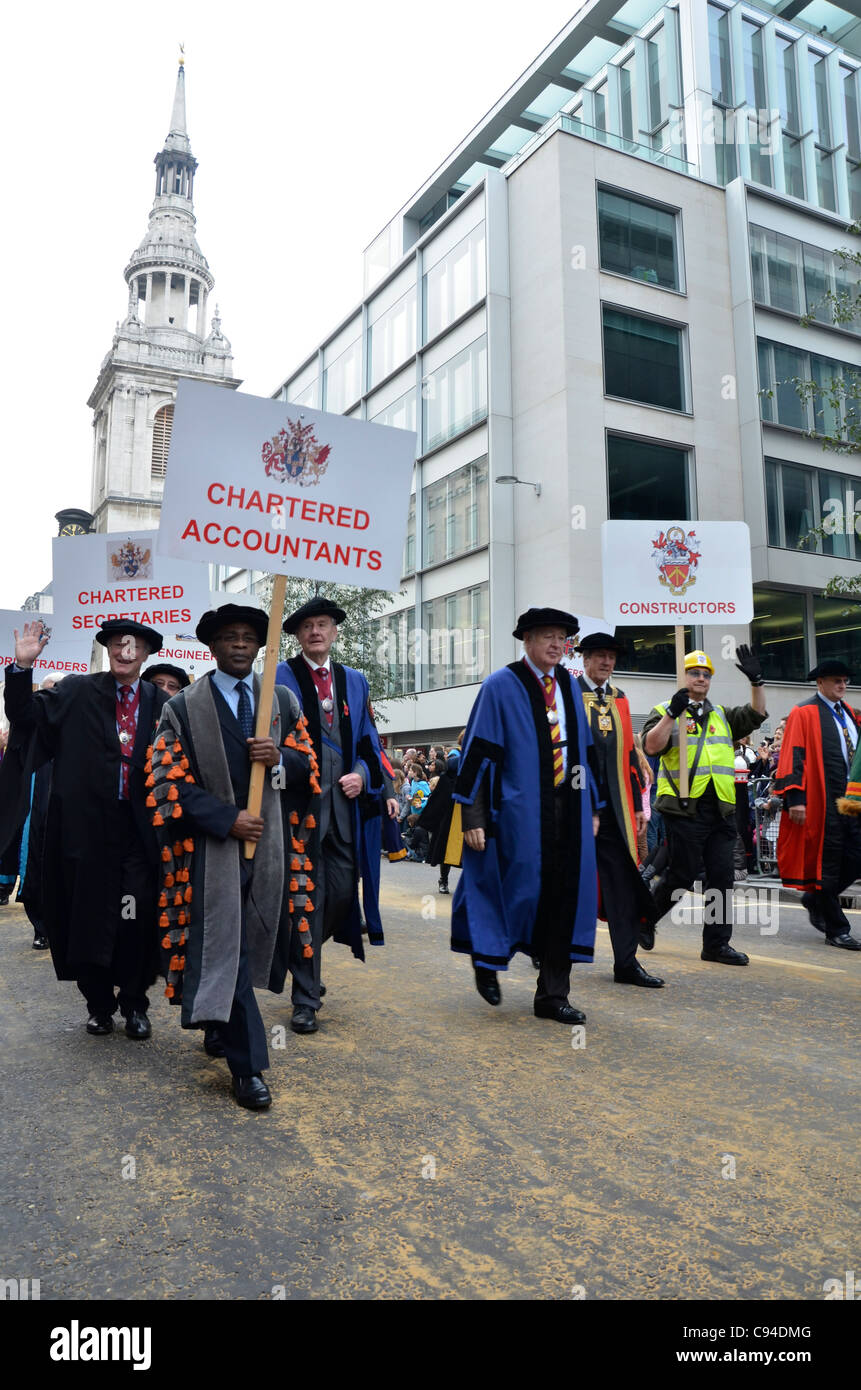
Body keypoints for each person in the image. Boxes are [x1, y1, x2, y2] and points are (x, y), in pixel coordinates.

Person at [147, 604, 320, 1109]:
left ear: (260, 645)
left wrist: (280, 759)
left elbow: (309, 768)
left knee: (248, 943)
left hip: (270, 851)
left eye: (248, 636)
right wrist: (226, 819)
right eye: (229, 637)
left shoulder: (281, 701)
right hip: (208, 854)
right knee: (228, 947)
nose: (240, 644)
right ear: (212, 646)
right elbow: (163, 785)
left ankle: (216, 1023)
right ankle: (248, 1069)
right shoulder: (181, 708)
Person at [0, 618, 169, 1036]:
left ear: (146, 654)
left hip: (138, 832)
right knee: (86, 916)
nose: (125, 650)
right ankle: (98, 1004)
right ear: (109, 649)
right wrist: (21, 669)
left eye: (134, 645)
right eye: (117, 643)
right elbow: (23, 714)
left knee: (136, 914)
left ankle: (134, 1003)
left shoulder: (160, 702)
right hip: (86, 831)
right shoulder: (77, 691)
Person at [451, 607, 600, 1023]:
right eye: (547, 636)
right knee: (512, 889)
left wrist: (592, 806)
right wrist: (474, 816)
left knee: (564, 897)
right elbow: (478, 751)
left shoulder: (571, 687)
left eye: (562, 638)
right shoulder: (501, 684)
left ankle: (552, 995)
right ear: (527, 641)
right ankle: (487, 958)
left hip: (567, 808)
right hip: (515, 812)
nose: (557, 644)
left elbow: (583, 752)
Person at [275, 597, 394, 1034]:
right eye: (307, 626)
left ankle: (297, 955)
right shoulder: (280, 676)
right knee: (306, 900)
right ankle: (305, 998)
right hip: (299, 813)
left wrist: (363, 774)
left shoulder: (354, 681)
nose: (316, 632)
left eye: (323, 624)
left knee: (342, 896)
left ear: (335, 632)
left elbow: (368, 740)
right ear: (297, 634)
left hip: (343, 812)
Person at [642, 646, 767, 966]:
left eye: (705, 674)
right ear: (682, 677)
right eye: (694, 673)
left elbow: (756, 715)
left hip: (721, 808)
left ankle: (715, 944)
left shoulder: (721, 715)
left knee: (721, 877)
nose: (700, 678)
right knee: (681, 874)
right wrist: (672, 713)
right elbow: (651, 747)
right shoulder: (664, 710)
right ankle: (644, 918)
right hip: (684, 807)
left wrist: (757, 681)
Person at [576, 632, 663, 987]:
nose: (606, 662)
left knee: (622, 884)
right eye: (599, 656)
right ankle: (545, 946)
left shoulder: (620, 699)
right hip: (578, 806)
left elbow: (629, 753)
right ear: (585, 659)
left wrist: (638, 807)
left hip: (616, 809)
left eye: (611, 657)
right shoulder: (568, 696)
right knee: (566, 880)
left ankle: (626, 963)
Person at [775, 659, 861, 950]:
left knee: (855, 857)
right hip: (822, 800)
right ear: (820, 682)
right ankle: (837, 928)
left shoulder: (847, 712)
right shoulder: (804, 711)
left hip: (851, 800)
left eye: (845, 681)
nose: (842, 685)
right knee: (828, 863)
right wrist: (796, 799)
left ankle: (815, 899)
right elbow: (794, 753)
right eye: (836, 680)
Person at [423, 736, 465, 894]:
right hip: (451, 812)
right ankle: (443, 880)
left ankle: (467, 883)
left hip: (469, 812)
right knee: (446, 847)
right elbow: (443, 789)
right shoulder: (454, 761)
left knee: (468, 849)